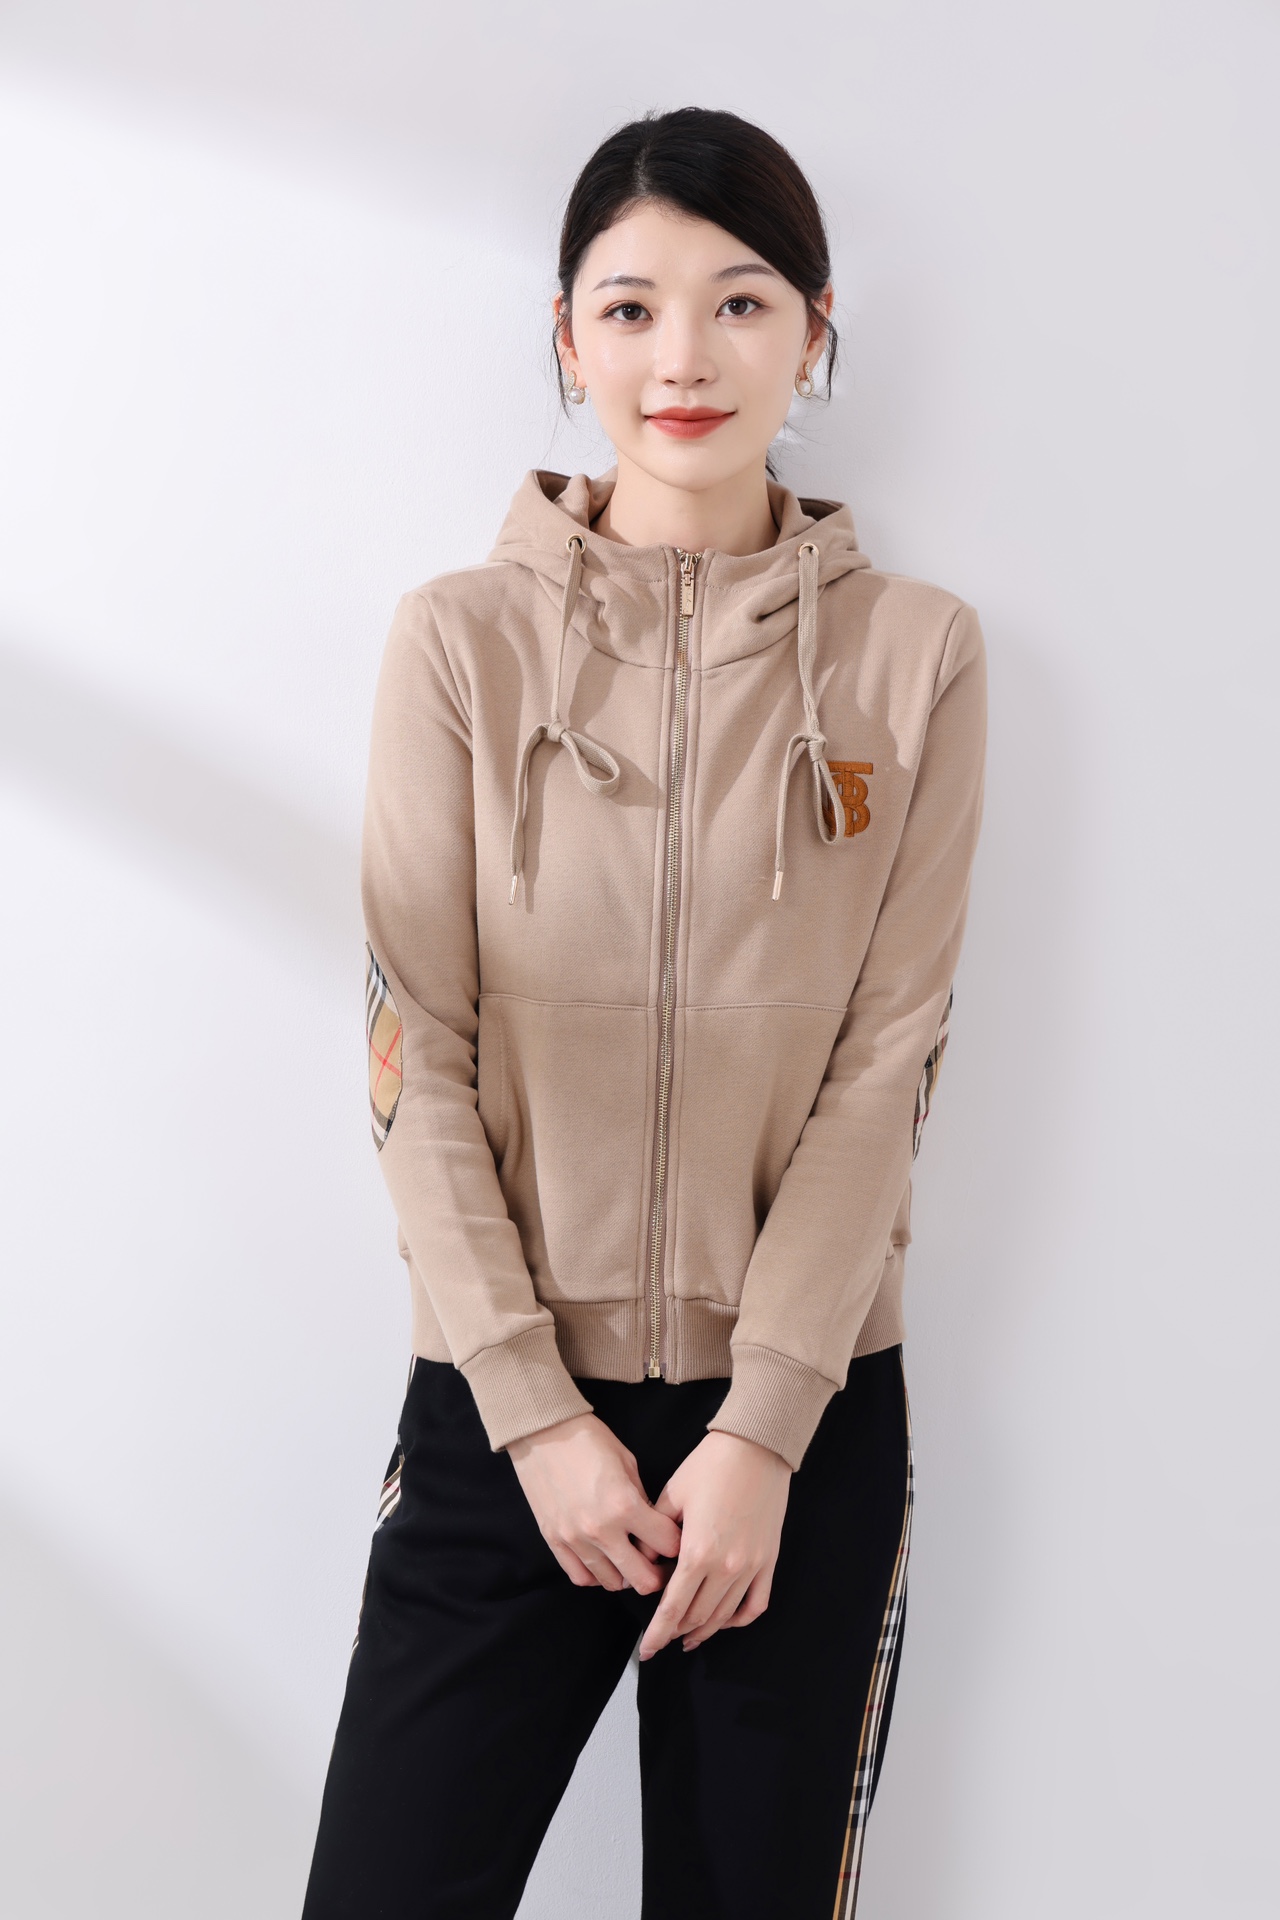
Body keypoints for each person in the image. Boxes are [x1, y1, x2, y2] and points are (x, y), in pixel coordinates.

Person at [301, 105, 986, 1920]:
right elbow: (414, 1053)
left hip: (802, 1431)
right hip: (507, 1409)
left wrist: (762, 1433)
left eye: (740, 303)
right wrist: (535, 1415)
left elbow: (886, 1064)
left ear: (814, 331)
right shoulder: (459, 643)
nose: (683, 357)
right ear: (566, 337)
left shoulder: (916, 656)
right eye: (630, 308)